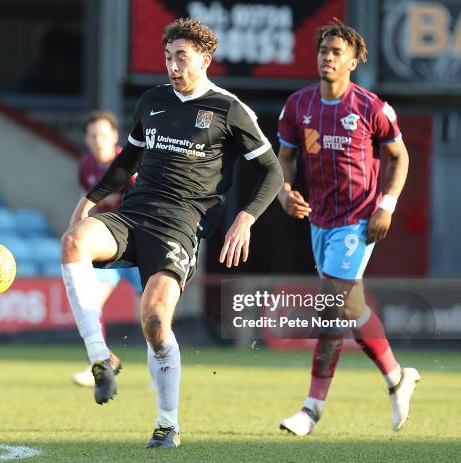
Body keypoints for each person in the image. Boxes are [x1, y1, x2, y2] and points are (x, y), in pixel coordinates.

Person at [61, 18, 283, 448]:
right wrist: (88, 200)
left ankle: (167, 423)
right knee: (74, 241)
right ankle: (99, 356)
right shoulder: (153, 101)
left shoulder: (228, 108)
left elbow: (272, 171)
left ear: (205, 58)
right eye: (168, 57)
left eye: (182, 57)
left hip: (181, 226)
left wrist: (246, 217)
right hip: (134, 213)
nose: (173, 66)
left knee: (155, 321)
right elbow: (128, 160)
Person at [276, 20, 419, 436]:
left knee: (332, 306)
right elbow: (285, 160)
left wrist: (386, 205)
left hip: (358, 218)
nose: (328, 57)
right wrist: (285, 193)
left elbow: (401, 158)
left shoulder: (372, 108)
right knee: (353, 309)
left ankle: (311, 409)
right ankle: (397, 378)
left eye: (338, 52)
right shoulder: (298, 106)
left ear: (354, 61)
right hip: (319, 220)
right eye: (324, 50)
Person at [71, 111, 143, 387]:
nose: (98, 140)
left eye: (103, 134)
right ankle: (100, 363)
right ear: (86, 139)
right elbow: (88, 201)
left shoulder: (129, 162)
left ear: (114, 136)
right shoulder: (86, 166)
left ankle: (159, 368)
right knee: (90, 304)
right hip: (107, 249)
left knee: (149, 314)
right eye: (92, 135)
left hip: (135, 245)